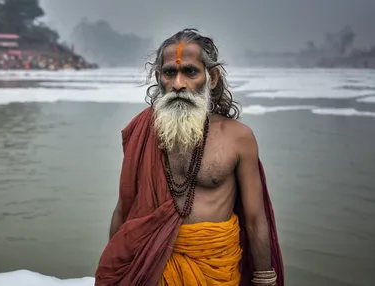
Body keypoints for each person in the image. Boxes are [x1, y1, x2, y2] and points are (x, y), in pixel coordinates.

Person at [94, 28, 284, 286]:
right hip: (151, 266)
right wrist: (116, 273)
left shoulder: (238, 137)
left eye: (190, 71)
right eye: (170, 72)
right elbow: (124, 208)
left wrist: (264, 278)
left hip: (215, 270)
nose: (178, 84)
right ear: (159, 77)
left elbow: (255, 218)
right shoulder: (142, 132)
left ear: (212, 77)